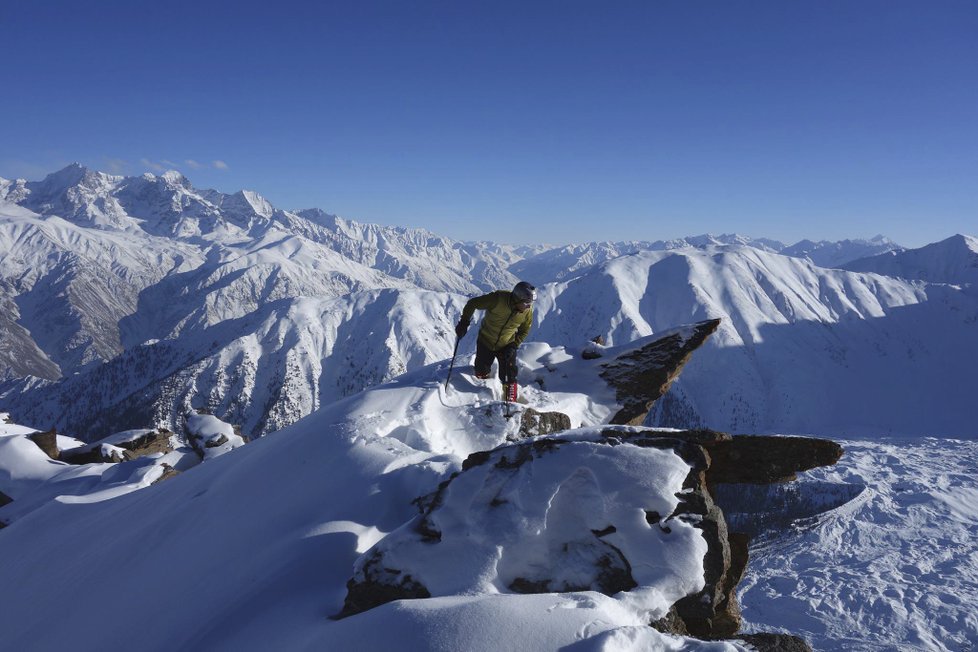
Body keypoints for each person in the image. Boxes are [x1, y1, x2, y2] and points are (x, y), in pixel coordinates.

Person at [455, 281, 536, 402]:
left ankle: (511, 401)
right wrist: (464, 322)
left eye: (530, 303)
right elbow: (472, 303)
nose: (529, 306)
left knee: (510, 375)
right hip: (486, 341)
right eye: (526, 303)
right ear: (517, 298)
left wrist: (513, 345)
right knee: (481, 372)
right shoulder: (497, 299)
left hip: (507, 344)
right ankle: (481, 394)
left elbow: (524, 330)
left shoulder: (527, 312)